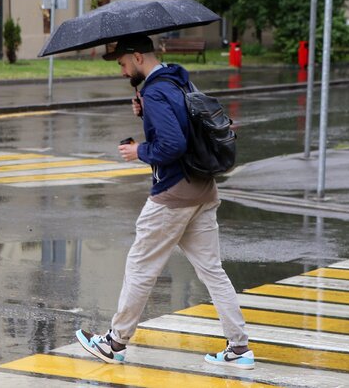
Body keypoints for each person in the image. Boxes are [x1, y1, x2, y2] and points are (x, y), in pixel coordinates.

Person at [75, 34, 254, 370]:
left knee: (140, 267)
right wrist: (145, 113)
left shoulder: (157, 91)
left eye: (123, 64)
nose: (122, 71)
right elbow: (185, 125)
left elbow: (172, 145)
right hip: (203, 189)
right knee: (213, 272)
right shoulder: (177, 80)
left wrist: (138, 150)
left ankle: (114, 343)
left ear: (138, 57)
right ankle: (240, 347)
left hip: (173, 194)